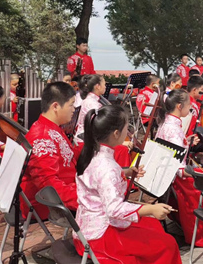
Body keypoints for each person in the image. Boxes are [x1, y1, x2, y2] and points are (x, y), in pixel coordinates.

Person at [74, 105, 181, 263]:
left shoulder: (91, 153)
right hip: (100, 236)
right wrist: (150, 208)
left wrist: (125, 172)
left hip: (86, 228)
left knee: (153, 225)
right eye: (126, 128)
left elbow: (96, 178)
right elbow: (114, 209)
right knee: (168, 244)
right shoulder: (106, 167)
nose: (128, 133)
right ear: (116, 133)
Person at [155, 90, 203, 247]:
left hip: (169, 172)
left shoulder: (167, 123)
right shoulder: (174, 130)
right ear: (179, 106)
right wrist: (202, 173)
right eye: (188, 106)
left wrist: (186, 141)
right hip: (178, 177)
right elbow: (179, 169)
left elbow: (172, 150)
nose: (190, 109)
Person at [21, 82, 77, 220]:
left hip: (64, 187)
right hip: (46, 202)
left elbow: (68, 155)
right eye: (71, 104)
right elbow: (48, 185)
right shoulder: (42, 138)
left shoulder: (51, 127)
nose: (74, 109)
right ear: (56, 106)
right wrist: (87, 198)